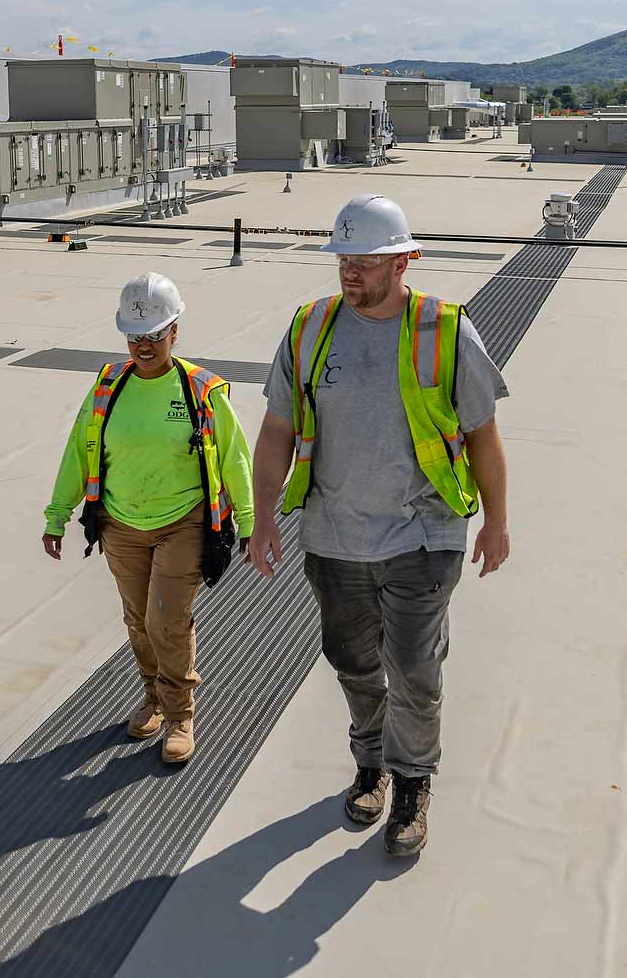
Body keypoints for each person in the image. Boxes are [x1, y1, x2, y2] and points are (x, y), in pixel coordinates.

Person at [248, 194, 511, 858]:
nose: (350, 272)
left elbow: (482, 434)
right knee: (354, 663)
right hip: (334, 539)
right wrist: (261, 519)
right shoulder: (309, 330)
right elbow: (279, 427)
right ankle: (371, 763)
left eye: (364, 261)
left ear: (403, 261)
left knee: (415, 669)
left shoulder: (446, 332)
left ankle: (414, 784)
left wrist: (496, 521)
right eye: (344, 259)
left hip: (425, 535)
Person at [42, 272, 254, 764]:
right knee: (138, 619)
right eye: (135, 336)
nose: (144, 345)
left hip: (183, 521)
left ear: (174, 332)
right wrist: (58, 515)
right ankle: (152, 698)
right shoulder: (108, 386)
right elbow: (80, 450)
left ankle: (181, 714)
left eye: (155, 336)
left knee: (166, 620)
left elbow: (234, 458)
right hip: (119, 525)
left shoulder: (201, 390)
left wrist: (248, 520)